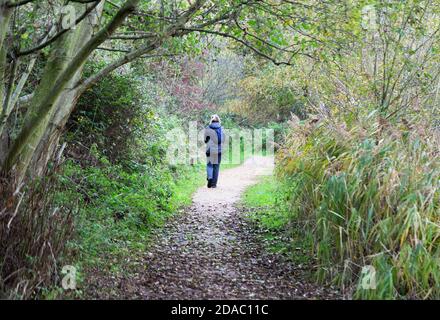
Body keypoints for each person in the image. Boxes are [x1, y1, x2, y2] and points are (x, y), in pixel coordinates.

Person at [204, 114, 225, 188]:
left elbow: (205, 140)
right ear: (219, 120)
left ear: (211, 120)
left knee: (209, 165)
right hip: (218, 151)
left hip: (210, 150)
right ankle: (213, 184)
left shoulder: (208, 128)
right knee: (216, 167)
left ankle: (209, 177)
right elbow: (223, 140)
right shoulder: (221, 128)